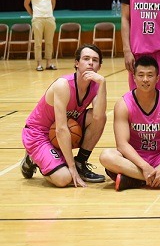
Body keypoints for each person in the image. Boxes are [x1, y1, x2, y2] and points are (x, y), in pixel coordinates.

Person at [100, 56, 160, 191]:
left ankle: (134, 179)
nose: (145, 79)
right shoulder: (123, 104)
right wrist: (144, 167)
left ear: (157, 78)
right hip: (135, 159)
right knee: (106, 156)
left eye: (150, 75)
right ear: (134, 78)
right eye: (141, 75)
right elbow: (122, 145)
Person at [21, 44, 108, 187]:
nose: (90, 63)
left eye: (95, 60)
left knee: (99, 116)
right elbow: (61, 129)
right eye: (86, 59)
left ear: (99, 66)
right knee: (63, 178)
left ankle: (80, 163)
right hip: (39, 133)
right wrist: (71, 168)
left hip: (64, 128)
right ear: (77, 63)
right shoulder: (63, 85)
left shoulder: (96, 85)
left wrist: (103, 83)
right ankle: (33, 158)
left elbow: (99, 117)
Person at [24, 0, 57, 71]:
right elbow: (26, 4)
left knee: (49, 42)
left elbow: (53, 2)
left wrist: (49, 12)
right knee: (38, 42)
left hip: (49, 18)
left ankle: (49, 63)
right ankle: (39, 64)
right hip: (37, 19)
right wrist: (33, 14)